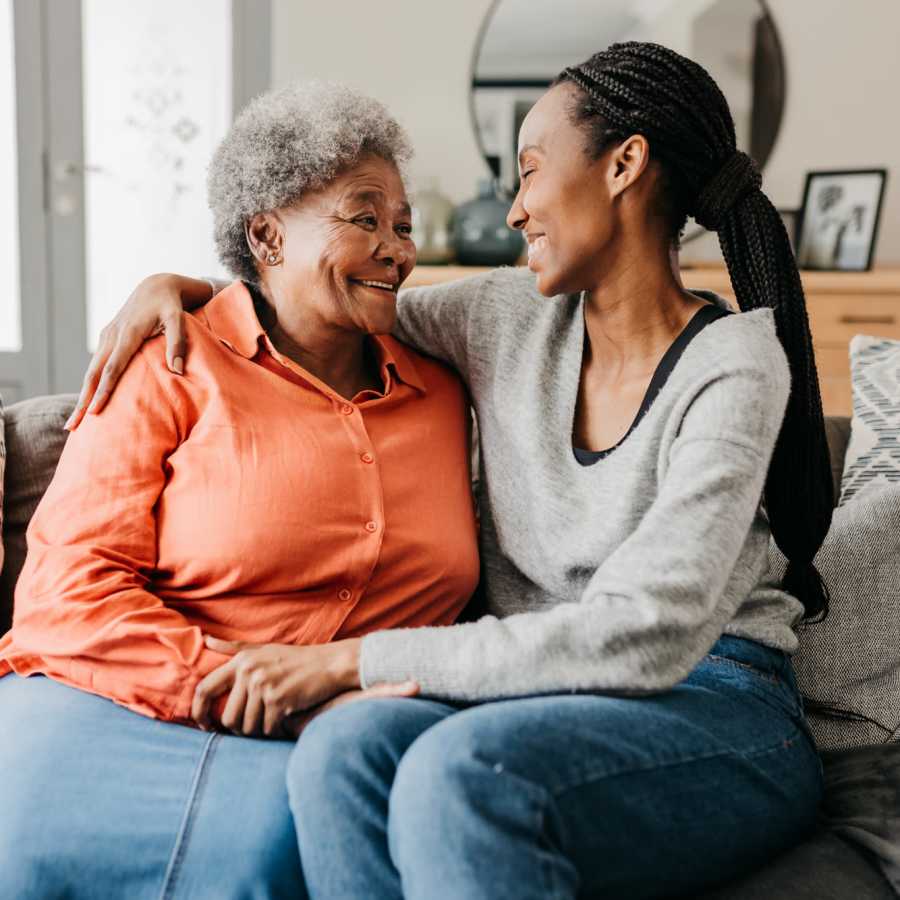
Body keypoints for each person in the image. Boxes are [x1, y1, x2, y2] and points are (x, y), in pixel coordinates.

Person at [64, 42, 835, 900]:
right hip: (538, 698)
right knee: (339, 754)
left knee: (464, 775)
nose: (514, 211)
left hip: (714, 697)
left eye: (532, 170)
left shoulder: (734, 366)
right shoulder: (505, 316)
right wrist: (181, 285)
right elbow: (321, 297)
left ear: (624, 165)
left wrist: (347, 663)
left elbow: (647, 633)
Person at [0, 81, 480, 898]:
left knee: (276, 853)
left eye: (402, 225)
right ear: (266, 233)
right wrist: (253, 688)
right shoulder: (167, 363)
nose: (397, 249)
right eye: (364, 218)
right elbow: (67, 594)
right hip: (118, 698)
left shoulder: (448, 384)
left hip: (342, 729)